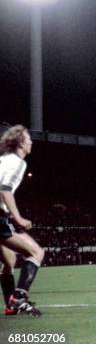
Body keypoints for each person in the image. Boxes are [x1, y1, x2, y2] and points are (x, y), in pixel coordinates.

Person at [0, 125, 44, 316]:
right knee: (36, 252)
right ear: (20, 143)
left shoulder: (4, 160)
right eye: (28, 139)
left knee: (9, 261)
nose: (31, 142)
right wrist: (18, 218)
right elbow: (5, 189)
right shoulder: (18, 162)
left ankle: (11, 305)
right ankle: (18, 299)